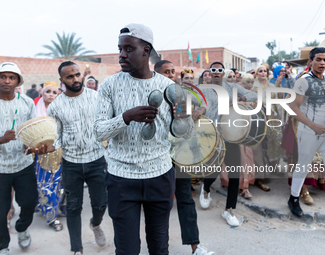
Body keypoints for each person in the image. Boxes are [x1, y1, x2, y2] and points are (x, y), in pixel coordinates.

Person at [94, 23, 193, 255]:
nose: (121, 55)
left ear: (146, 50)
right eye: (120, 49)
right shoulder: (109, 86)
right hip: (121, 178)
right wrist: (126, 117)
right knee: (127, 249)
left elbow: (180, 131)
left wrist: (184, 120)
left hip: (159, 175)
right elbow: (99, 132)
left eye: (129, 49)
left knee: (159, 247)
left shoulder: (168, 86)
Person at [32, 61, 108, 255]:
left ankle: (95, 224)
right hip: (71, 164)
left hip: (96, 160)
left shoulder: (96, 97)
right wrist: (46, 148)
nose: (75, 79)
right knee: (74, 207)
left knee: (100, 204)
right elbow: (57, 136)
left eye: (77, 75)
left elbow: (106, 125)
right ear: (62, 80)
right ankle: (77, 249)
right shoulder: (56, 106)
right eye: (69, 76)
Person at [155, 60, 214, 255]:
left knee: (186, 200)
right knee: (161, 204)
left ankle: (195, 246)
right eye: (166, 72)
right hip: (157, 157)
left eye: (173, 72)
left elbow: (204, 104)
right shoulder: (152, 96)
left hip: (181, 154)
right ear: (156, 74)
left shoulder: (182, 93)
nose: (171, 75)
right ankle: (160, 247)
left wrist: (197, 111)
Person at [0, 62, 38, 255]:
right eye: (3, 76)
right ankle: (1, 247)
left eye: (11, 77)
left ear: (17, 81)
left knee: (31, 202)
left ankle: (22, 228)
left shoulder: (26, 102)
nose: (7, 80)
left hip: (23, 164)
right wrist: (1, 139)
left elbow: (33, 130)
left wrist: (31, 143)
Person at [199, 62, 257, 226]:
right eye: (213, 70)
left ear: (223, 73)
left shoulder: (232, 87)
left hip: (231, 135)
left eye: (220, 70)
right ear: (210, 73)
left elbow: (254, 96)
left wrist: (239, 98)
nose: (216, 72)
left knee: (234, 172)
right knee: (215, 170)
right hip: (213, 136)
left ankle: (229, 209)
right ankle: (206, 189)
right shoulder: (203, 89)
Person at [288, 47, 325, 217]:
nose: (322, 63)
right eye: (318, 59)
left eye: (324, 60)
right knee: (303, 166)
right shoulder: (303, 81)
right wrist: (313, 126)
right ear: (311, 61)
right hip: (308, 130)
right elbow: (293, 107)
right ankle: (294, 199)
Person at [34, 81, 65, 231]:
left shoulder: (62, 110)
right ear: (42, 93)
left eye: (54, 92)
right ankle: (51, 217)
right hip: (42, 154)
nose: (51, 95)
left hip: (61, 152)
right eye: (48, 92)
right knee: (46, 185)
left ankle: (57, 207)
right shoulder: (35, 112)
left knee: (60, 183)